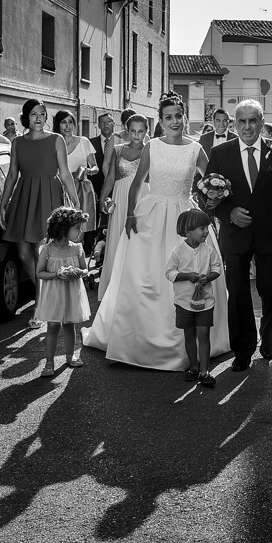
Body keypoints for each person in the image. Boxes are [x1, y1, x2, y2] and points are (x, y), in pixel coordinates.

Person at [82, 93, 231, 369]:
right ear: (161, 122)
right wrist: (129, 214)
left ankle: (192, 340)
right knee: (144, 276)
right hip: (150, 214)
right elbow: (138, 182)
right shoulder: (153, 146)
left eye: (178, 116)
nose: (174, 121)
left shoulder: (196, 149)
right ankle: (141, 340)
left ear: (184, 117)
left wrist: (214, 197)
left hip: (185, 218)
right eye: (168, 117)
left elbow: (210, 179)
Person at [206, 98, 272, 371]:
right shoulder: (220, 153)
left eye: (253, 121)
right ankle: (244, 348)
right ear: (234, 124)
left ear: (262, 123)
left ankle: (268, 332)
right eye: (242, 121)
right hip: (235, 234)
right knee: (237, 292)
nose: (247, 126)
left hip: (268, 232)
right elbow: (210, 198)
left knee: (271, 288)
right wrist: (229, 214)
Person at [0, 99, 80, 328]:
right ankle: (49, 294)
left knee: (40, 251)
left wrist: (75, 203)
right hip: (24, 198)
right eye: (33, 114)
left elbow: (65, 173)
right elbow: (12, 176)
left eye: (42, 114)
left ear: (46, 117)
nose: (38, 118)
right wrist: (4, 205)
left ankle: (38, 306)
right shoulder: (17, 143)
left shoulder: (56, 139)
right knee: (24, 254)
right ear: (26, 117)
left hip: (48, 197)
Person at [166, 208, 222, 389]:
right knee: (189, 334)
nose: (206, 231)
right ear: (189, 230)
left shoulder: (209, 250)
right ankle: (194, 367)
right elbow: (169, 272)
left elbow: (217, 269)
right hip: (183, 301)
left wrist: (209, 277)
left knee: (203, 334)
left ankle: (205, 371)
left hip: (206, 301)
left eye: (206, 227)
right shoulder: (177, 252)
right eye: (202, 228)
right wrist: (186, 276)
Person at [97, 114, 150, 300]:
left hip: (143, 199)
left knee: (139, 243)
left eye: (141, 131)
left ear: (146, 132)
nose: (137, 135)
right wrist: (103, 198)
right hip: (120, 199)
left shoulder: (150, 151)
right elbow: (110, 177)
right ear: (127, 131)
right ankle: (116, 289)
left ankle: (138, 290)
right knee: (119, 240)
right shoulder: (118, 150)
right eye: (133, 131)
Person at [35, 206, 91, 378]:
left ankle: (70, 355)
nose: (80, 231)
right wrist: (57, 274)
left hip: (72, 292)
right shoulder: (48, 250)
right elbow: (39, 273)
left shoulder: (77, 248)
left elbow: (85, 269)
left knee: (69, 324)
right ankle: (49, 361)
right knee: (52, 326)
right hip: (54, 293)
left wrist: (78, 272)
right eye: (76, 228)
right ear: (63, 229)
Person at [54, 110, 99, 252]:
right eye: (63, 122)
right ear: (58, 124)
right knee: (61, 232)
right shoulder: (54, 142)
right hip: (60, 188)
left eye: (71, 122)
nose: (67, 126)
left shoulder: (84, 142)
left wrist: (88, 171)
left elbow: (95, 167)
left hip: (82, 189)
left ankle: (77, 269)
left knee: (78, 232)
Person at [88, 113, 116, 229]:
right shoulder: (90, 143)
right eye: (103, 123)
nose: (106, 125)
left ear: (113, 124)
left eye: (108, 122)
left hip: (115, 187)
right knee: (95, 222)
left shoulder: (120, 142)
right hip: (96, 187)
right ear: (98, 125)